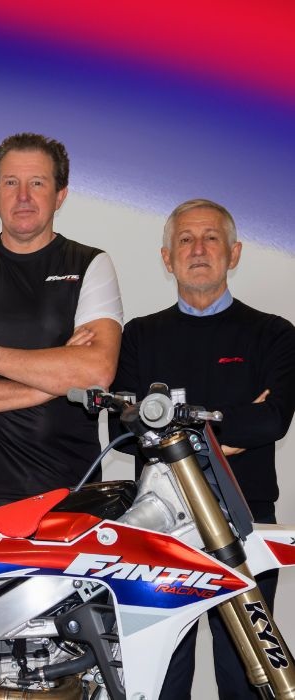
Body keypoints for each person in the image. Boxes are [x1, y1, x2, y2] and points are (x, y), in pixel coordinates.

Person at [111, 198, 295, 698]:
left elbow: (273, 420)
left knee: (248, 676)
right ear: (167, 258)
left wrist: (173, 430)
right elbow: (124, 429)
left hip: (246, 522)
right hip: (162, 528)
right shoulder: (140, 336)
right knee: (162, 677)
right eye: (185, 240)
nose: (198, 249)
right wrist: (230, 427)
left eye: (211, 238)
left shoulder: (273, 333)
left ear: (234, 253)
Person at [0, 132, 123, 513]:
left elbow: (96, 371)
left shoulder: (90, 265)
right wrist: (51, 385)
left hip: (73, 486)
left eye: (38, 183)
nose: (23, 196)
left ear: (60, 195)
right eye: (11, 182)